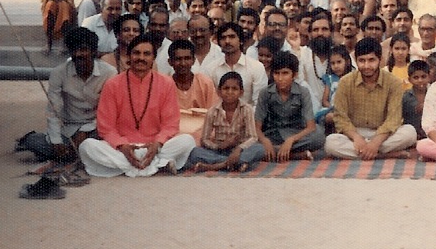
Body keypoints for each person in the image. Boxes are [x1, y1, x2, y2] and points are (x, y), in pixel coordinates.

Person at [78, 33, 196, 177]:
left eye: (146, 54)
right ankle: (155, 165)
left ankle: (132, 167)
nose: (141, 58)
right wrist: (122, 145)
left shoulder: (166, 83)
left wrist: (157, 144)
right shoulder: (112, 84)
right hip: (122, 147)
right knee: (87, 146)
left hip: (155, 145)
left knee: (187, 141)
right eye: (136, 53)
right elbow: (106, 127)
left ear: (153, 58)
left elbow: (170, 124)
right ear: (129, 56)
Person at [17, 28, 117, 164]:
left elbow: (109, 111)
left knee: (108, 142)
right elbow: (53, 111)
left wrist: (85, 131)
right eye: (74, 50)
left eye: (83, 49)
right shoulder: (59, 73)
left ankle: (73, 153)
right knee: (34, 142)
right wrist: (56, 142)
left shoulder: (109, 73)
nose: (78, 54)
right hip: (68, 129)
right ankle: (72, 152)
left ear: (94, 51)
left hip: (96, 128)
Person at [323, 37, 417, 159]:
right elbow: (341, 118)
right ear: (355, 61)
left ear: (380, 60)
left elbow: (393, 118)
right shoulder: (345, 82)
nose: (366, 66)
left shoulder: (393, 82)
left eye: (371, 60)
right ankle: (384, 155)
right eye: (362, 61)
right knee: (330, 143)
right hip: (355, 132)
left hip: (384, 134)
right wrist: (356, 138)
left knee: (410, 132)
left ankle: (366, 152)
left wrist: (376, 142)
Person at [243, 51, 326, 162]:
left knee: (319, 136)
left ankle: (277, 151)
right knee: (250, 141)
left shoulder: (303, 92)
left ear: (294, 75)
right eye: (276, 73)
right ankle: (294, 155)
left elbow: (310, 126)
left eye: (285, 73)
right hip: (273, 135)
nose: (280, 78)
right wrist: (265, 141)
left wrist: (291, 140)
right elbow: (257, 127)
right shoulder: (265, 93)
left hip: (296, 133)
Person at [187, 72, 262, 172]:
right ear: (219, 92)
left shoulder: (247, 110)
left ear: (241, 92)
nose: (230, 92)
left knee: (259, 148)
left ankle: (217, 166)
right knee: (195, 152)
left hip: (241, 150)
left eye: (234, 89)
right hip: (219, 151)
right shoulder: (212, 112)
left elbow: (253, 137)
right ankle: (235, 163)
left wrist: (239, 149)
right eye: (226, 88)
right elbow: (204, 139)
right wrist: (219, 146)